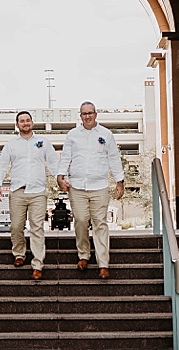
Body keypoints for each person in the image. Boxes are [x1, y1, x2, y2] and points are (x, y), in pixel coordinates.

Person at [56, 101, 124, 279]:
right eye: (84, 113)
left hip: (99, 186)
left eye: (90, 113)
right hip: (77, 186)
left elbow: (114, 159)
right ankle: (83, 255)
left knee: (100, 223)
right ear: (80, 116)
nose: (87, 116)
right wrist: (60, 176)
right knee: (80, 220)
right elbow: (66, 157)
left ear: (96, 114)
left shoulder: (106, 134)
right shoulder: (72, 135)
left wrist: (120, 181)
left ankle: (103, 263)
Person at [0, 110, 59, 280]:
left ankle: (38, 264)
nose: (25, 123)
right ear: (17, 125)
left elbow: (53, 163)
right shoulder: (11, 145)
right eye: (21, 121)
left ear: (32, 123)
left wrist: (60, 178)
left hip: (38, 192)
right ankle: (19, 254)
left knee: (37, 227)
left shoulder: (43, 142)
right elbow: (2, 165)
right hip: (17, 192)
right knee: (16, 226)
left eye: (27, 120)